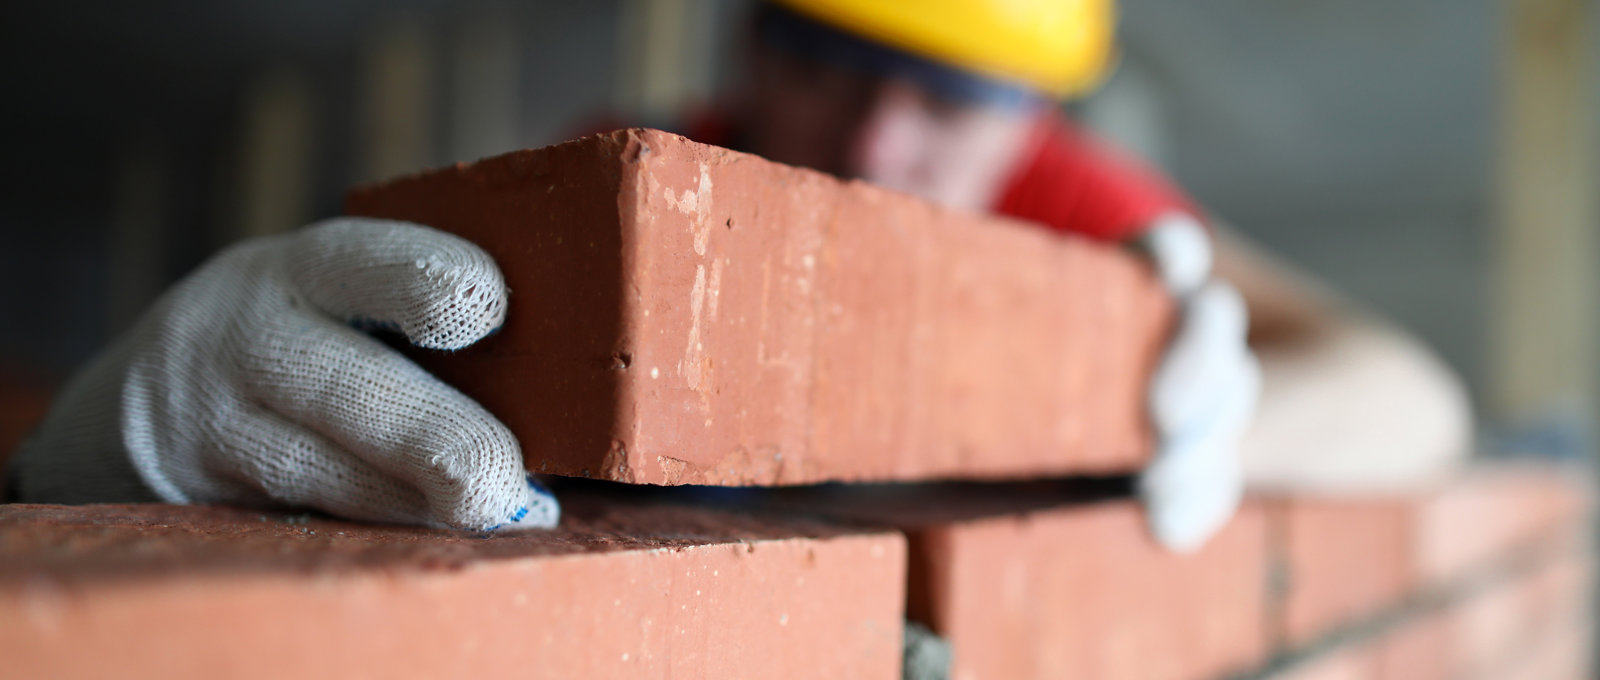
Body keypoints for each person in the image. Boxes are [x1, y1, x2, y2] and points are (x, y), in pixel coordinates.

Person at [4, 0, 1470, 550]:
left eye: (946, 99)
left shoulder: (1062, 205)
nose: (883, 142)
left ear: (1034, 118)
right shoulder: (633, 177)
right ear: (756, 44)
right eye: (833, 63)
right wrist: (107, 460)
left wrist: (1185, 414)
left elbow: (1414, 402)